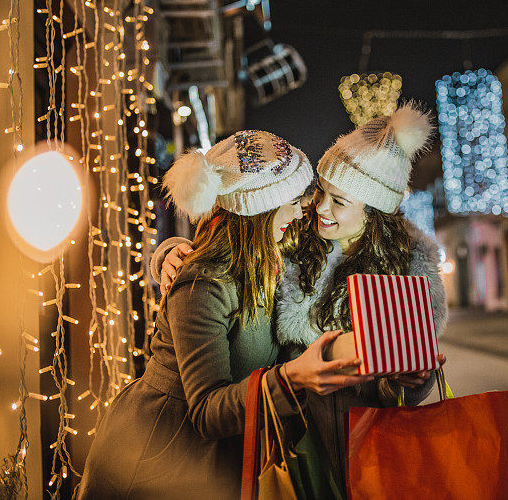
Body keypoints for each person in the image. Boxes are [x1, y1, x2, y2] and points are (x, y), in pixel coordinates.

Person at [153, 104, 448, 480]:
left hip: (364, 447)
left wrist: (408, 382)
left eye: (339, 201)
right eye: (321, 191)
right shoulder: (299, 235)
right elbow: (237, 236)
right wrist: (168, 254)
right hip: (288, 441)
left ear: (374, 212)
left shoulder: (408, 273)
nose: (319, 207)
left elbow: (399, 385)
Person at [78, 131, 373, 499]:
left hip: (223, 458)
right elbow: (207, 411)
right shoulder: (206, 282)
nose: (303, 212)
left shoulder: (272, 256)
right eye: (293, 201)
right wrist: (292, 378)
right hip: (160, 455)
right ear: (259, 208)